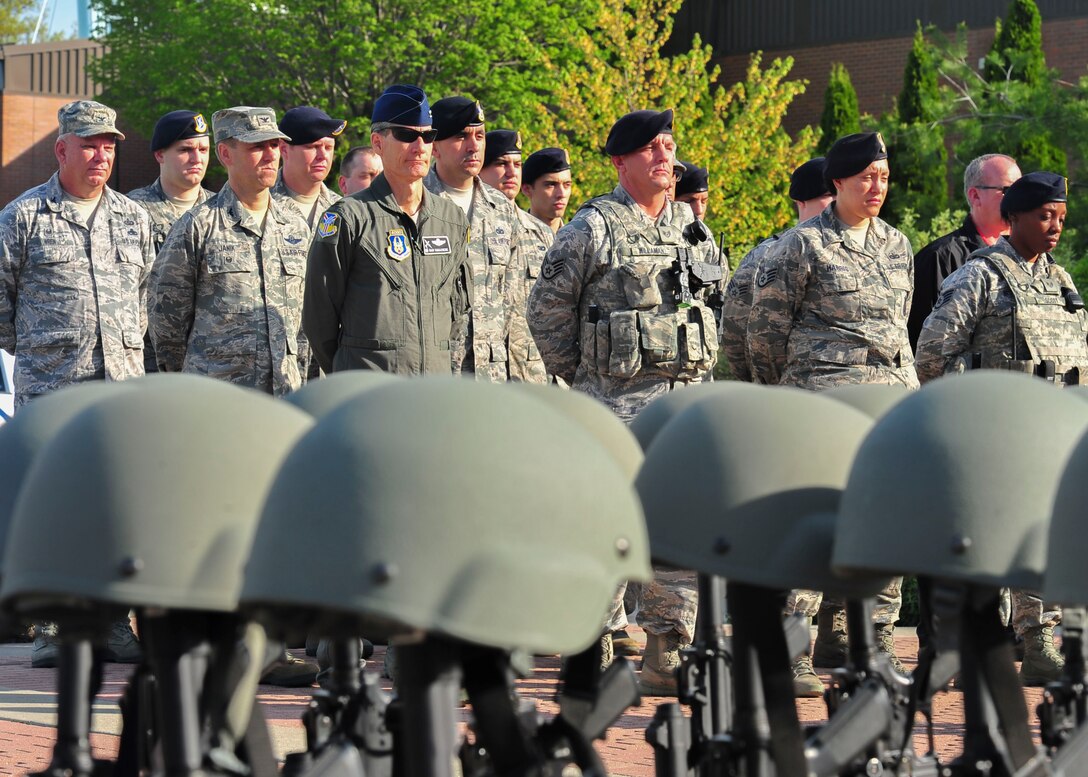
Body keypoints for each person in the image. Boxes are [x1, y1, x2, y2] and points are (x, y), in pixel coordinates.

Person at [527, 108, 727, 694]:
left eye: (669, 145)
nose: (665, 156)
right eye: (651, 149)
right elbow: (545, 311)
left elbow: (710, 304)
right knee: (608, 526)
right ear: (620, 162)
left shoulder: (693, 226)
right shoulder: (593, 227)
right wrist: (586, 379)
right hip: (617, 404)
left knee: (679, 526)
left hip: (684, 401)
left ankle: (666, 646)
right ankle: (589, 638)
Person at [746, 132, 917, 695]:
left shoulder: (897, 245)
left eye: (884, 177)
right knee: (814, 524)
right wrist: (794, 396)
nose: (877, 187)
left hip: (887, 409)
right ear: (838, 181)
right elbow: (764, 333)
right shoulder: (801, 246)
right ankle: (792, 646)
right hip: (822, 405)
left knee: (883, 523)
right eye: (866, 176)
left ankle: (871, 637)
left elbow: (899, 327)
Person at [0, 99, 152, 668]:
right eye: (89, 144)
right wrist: (45, 351)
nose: (101, 155)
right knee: (50, 506)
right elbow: (0, 306)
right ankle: (49, 629)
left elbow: (143, 295)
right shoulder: (24, 216)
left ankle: (113, 623)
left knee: (113, 506)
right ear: (61, 149)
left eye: (109, 145)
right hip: (52, 389)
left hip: (118, 388)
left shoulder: (132, 217)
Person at [915, 171, 1081, 686]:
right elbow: (931, 356)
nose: (1053, 227)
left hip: (1049, 434)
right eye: (1043, 216)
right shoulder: (978, 275)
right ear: (1014, 218)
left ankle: (1037, 643)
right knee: (983, 545)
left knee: (1040, 539)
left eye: (1060, 217)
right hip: (992, 434)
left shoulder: (1060, 280)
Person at [303, 84, 471, 376]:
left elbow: (457, 311)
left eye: (428, 136)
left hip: (433, 392)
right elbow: (320, 320)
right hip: (369, 393)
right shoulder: (348, 218)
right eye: (406, 136)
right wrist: (349, 374)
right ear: (378, 143)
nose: (420, 147)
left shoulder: (451, 220)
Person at [150, 106, 309, 397]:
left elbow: (303, 323)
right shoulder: (198, 226)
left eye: (275, 144)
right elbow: (167, 323)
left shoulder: (295, 226)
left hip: (284, 396)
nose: (272, 154)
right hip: (218, 398)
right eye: (257, 146)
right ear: (225, 154)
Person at [423, 98, 541, 382]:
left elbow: (513, 307)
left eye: (479, 135)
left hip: (493, 374)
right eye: (461, 136)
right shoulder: (416, 204)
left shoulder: (501, 209)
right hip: (436, 374)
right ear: (434, 146)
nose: (473, 145)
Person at [720, 157, 832, 383]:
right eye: (827, 198)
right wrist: (763, 386)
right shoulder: (767, 254)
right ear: (801, 202)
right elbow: (735, 328)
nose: (835, 206)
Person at [128, 109, 215, 372]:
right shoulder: (131, 211)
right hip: (149, 361)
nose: (196, 158)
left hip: (212, 359)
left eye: (203, 149)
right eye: (185, 149)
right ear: (159, 155)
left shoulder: (222, 210)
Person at [906, 154, 1022, 349]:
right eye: (1008, 190)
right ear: (975, 196)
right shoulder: (940, 258)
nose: (1018, 199)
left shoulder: (1033, 258)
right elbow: (922, 344)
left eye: (1021, 190)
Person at [479, 128, 549, 384]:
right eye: (500, 164)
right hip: (483, 376)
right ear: (479, 169)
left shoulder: (540, 233)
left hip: (531, 376)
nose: (511, 172)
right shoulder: (462, 226)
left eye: (517, 164)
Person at [272, 106, 346, 228]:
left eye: (328, 147)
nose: (323, 156)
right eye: (313, 147)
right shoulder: (260, 204)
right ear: (284, 149)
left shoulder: (341, 209)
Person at [521, 146, 572, 235]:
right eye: (551, 185)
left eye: (567, 185)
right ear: (527, 189)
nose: (561, 194)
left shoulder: (579, 240)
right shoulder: (513, 238)